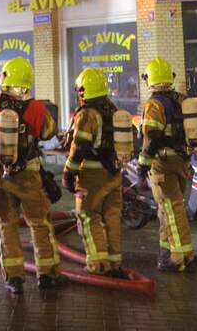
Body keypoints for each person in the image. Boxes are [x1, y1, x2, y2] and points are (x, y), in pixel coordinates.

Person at [0, 58, 66, 294]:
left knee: (7, 224)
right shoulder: (36, 108)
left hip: (0, 175)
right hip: (29, 175)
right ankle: (47, 275)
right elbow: (48, 132)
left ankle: (14, 279)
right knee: (39, 224)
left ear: (5, 78)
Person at [62, 67, 126, 278]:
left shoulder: (88, 114)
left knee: (89, 216)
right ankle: (114, 263)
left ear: (83, 90)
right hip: (114, 173)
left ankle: (98, 265)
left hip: (92, 175)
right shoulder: (113, 111)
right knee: (112, 217)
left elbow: (80, 146)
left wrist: (69, 172)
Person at [138, 58, 193, 272]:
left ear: (149, 79)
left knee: (172, 207)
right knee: (166, 209)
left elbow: (153, 137)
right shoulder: (181, 100)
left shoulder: (154, 104)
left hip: (163, 162)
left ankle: (180, 257)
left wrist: (143, 164)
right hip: (181, 160)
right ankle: (166, 250)